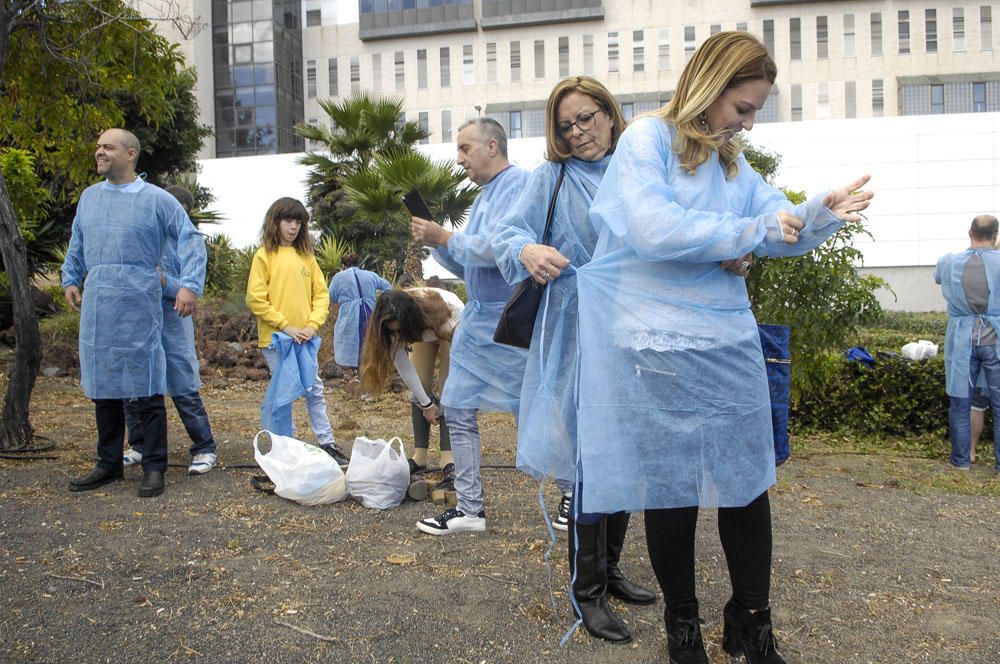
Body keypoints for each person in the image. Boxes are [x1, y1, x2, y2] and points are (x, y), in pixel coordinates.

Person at [574, 32, 874, 663]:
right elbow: (652, 230)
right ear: (709, 89)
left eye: (756, 110)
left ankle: (751, 620)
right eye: (742, 108)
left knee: (746, 483)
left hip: (727, 337)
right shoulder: (648, 140)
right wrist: (744, 233)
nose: (748, 122)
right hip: (654, 340)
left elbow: (778, 224)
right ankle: (682, 626)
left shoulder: (735, 162)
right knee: (672, 487)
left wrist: (818, 211)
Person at [491, 77, 656, 643]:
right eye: (566, 125)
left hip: (635, 331)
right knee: (591, 457)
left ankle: (609, 572)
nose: (579, 132)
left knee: (628, 453)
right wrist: (526, 248)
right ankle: (586, 593)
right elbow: (506, 231)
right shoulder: (552, 177)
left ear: (611, 115)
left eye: (587, 118)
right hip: (577, 329)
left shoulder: (640, 169)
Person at [61, 128, 207, 498]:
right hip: (100, 303)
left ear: (130, 154)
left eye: (107, 147)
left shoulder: (157, 199)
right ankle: (108, 463)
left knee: (147, 384)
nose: (99, 152)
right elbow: (77, 243)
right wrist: (70, 278)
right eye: (97, 147)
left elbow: (190, 239)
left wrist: (189, 284)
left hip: (140, 299)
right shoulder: (90, 198)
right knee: (104, 386)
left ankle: (154, 466)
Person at [410, 118, 530, 535]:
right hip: (479, 319)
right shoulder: (483, 197)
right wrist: (436, 244)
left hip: (510, 319)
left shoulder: (519, 185)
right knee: (457, 406)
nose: (459, 158)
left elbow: (500, 251)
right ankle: (470, 509)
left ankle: (574, 492)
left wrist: (443, 236)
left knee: (529, 409)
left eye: (464, 148)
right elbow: (469, 263)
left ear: (492, 146)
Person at [122, 185, 219, 475]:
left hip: (174, 318)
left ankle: (204, 446)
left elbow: (189, 284)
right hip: (139, 317)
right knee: (134, 384)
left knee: (182, 383)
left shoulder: (186, 242)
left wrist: (166, 282)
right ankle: (138, 444)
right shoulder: (142, 235)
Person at [245, 197, 347, 463]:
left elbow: (321, 295)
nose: (293, 227)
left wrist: (312, 326)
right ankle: (285, 445)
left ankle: (327, 441)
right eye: (288, 221)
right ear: (275, 222)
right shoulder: (263, 255)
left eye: (299, 222)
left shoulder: (307, 257)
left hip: (305, 339)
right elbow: (256, 298)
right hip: (277, 340)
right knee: (284, 393)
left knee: (314, 388)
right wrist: (286, 327)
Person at [359, 288, 463, 475]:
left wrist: (440, 403)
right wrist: (427, 404)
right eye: (393, 331)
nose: (397, 335)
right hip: (419, 329)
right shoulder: (390, 318)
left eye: (399, 330)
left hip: (448, 326)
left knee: (449, 389)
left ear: (407, 322)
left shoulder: (451, 315)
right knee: (420, 387)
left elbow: (457, 369)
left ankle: (448, 458)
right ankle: (420, 456)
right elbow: (404, 365)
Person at [935, 214, 1000, 472]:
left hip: (962, 339)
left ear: (969, 232)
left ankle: (961, 461)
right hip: (996, 339)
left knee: (961, 401)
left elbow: (938, 277)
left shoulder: (949, 261)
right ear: (995, 236)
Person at [328, 253, 391, 371]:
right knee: (370, 340)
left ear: (343, 265)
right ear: (358, 264)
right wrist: (380, 302)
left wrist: (343, 300)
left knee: (351, 343)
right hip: (370, 311)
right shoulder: (370, 275)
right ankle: (370, 372)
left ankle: (356, 372)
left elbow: (331, 296)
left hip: (350, 314)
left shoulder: (339, 277)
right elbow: (387, 286)